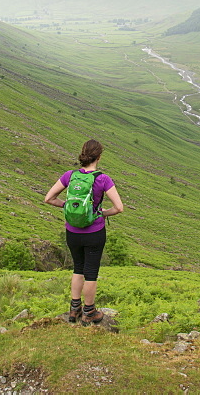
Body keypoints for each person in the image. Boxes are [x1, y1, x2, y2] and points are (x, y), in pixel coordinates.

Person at [44, 138, 124, 325]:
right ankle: (89, 311)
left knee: (78, 268)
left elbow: (48, 198)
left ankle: (74, 310)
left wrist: (68, 207)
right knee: (91, 272)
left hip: (72, 231)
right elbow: (119, 208)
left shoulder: (69, 176)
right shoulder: (103, 179)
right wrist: (102, 213)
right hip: (94, 232)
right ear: (99, 157)